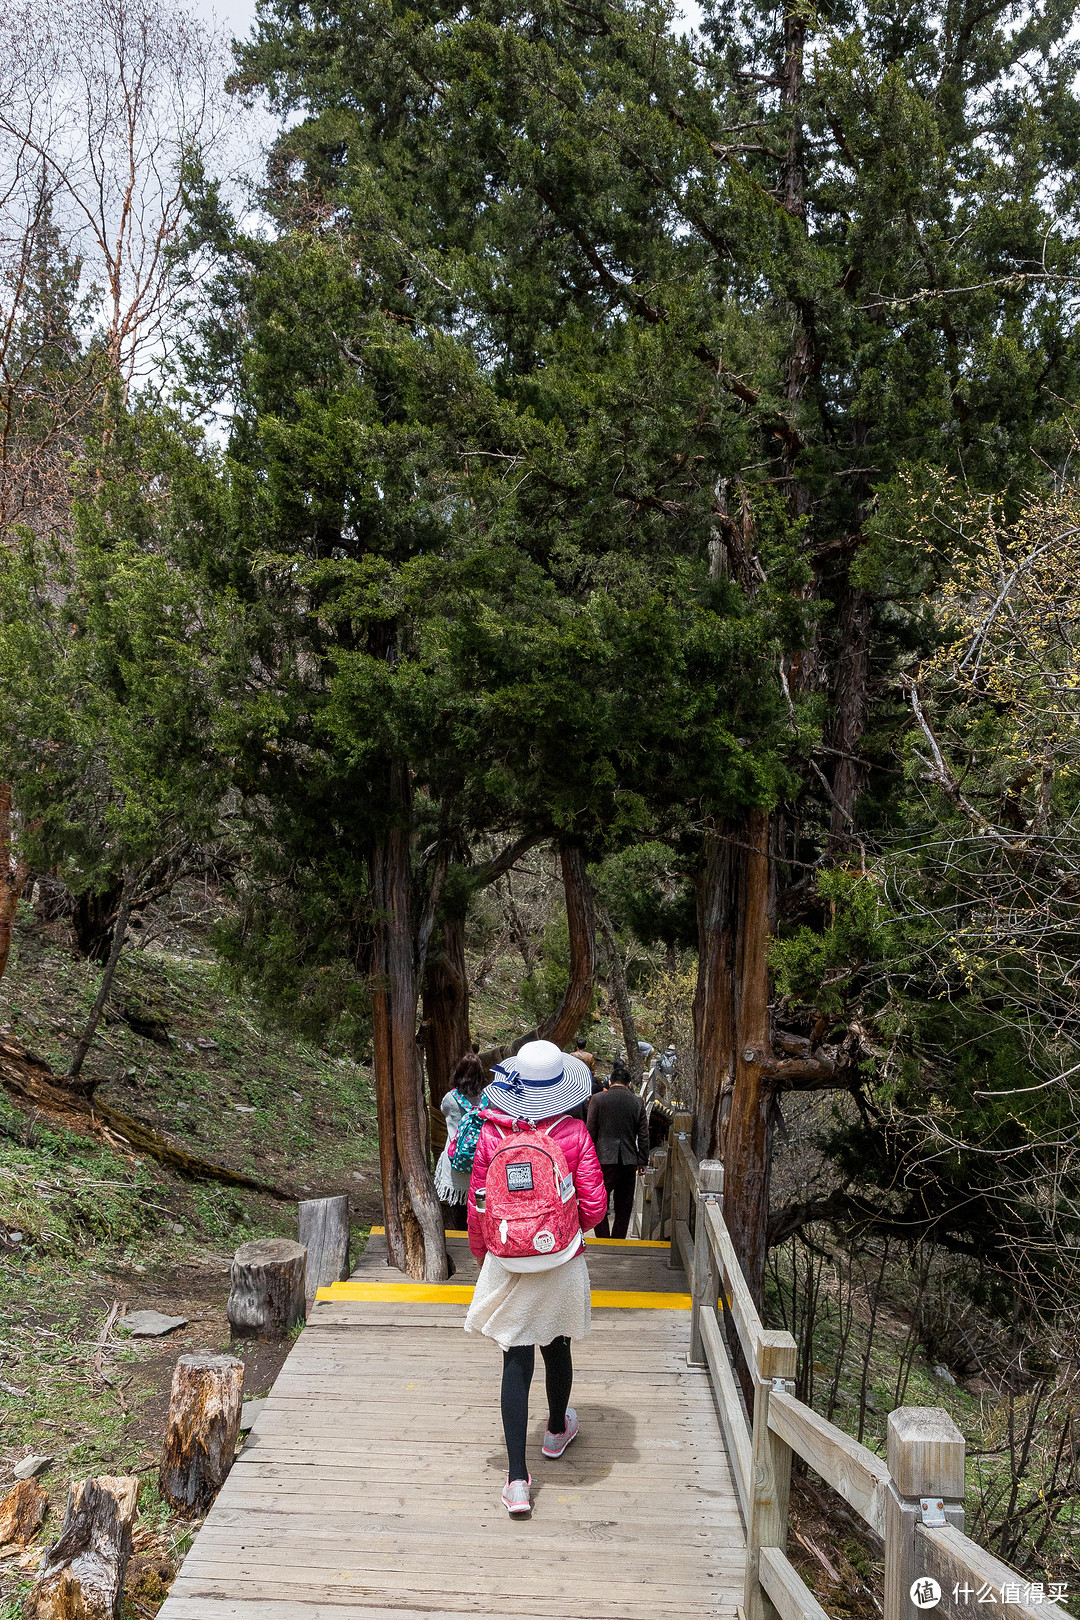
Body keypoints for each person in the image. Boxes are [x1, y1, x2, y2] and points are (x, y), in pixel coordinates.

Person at [465, 1039, 607, 1518]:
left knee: (515, 1360)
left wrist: (488, 1257)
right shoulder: (574, 1133)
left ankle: (516, 1481)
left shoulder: (491, 1133)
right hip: (560, 1259)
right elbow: (595, 1208)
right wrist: (560, 1231)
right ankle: (554, 1430)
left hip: (507, 1258)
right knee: (558, 1345)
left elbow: (477, 1205)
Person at [587, 1058, 649, 1239]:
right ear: (629, 1084)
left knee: (600, 1201)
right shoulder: (637, 1102)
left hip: (603, 1158)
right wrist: (642, 1159)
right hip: (629, 1159)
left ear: (609, 1082)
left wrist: (588, 1159)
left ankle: (603, 1239)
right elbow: (643, 1134)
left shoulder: (597, 1099)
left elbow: (590, 1131)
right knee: (624, 1204)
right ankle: (619, 1241)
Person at [433, 1052, 486, 1227]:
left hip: (455, 1158)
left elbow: (443, 1111)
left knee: (457, 1210)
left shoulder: (450, 1098)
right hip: (480, 1159)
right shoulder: (487, 1099)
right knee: (479, 1208)